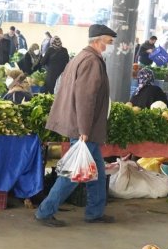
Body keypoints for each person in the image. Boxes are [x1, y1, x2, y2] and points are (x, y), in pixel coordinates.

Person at [34, 24, 116, 228]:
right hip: (84, 129)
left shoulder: (82, 57)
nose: (111, 45)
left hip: (84, 127)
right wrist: (84, 130)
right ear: (99, 41)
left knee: (96, 171)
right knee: (73, 174)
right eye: (109, 41)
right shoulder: (91, 62)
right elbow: (85, 99)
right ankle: (45, 212)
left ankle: (95, 212)